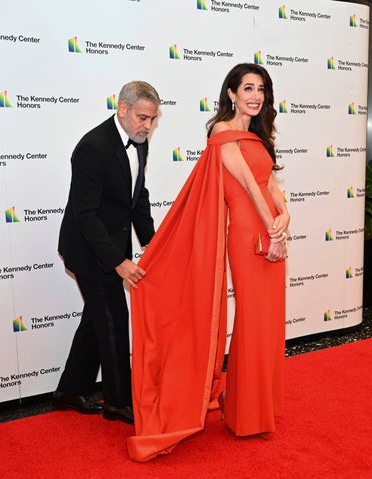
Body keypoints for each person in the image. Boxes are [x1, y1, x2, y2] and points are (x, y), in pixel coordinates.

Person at [128, 63, 289, 462]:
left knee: (269, 320)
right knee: (252, 318)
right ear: (231, 93)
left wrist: (285, 218)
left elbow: (270, 184)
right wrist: (272, 228)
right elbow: (249, 188)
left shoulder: (258, 135)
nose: (256, 95)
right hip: (250, 232)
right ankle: (245, 415)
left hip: (272, 231)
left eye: (262, 89)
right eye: (248, 88)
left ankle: (254, 403)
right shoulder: (222, 131)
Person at [55, 81, 160, 425]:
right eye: (143, 118)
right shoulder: (92, 147)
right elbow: (85, 214)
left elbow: (137, 197)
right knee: (114, 317)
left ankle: (70, 389)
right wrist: (118, 261)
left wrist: (154, 244)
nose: (147, 125)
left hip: (112, 242)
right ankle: (118, 402)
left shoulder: (139, 143)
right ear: (123, 109)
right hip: (88, 249)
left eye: (153, 119)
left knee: (97, 318)